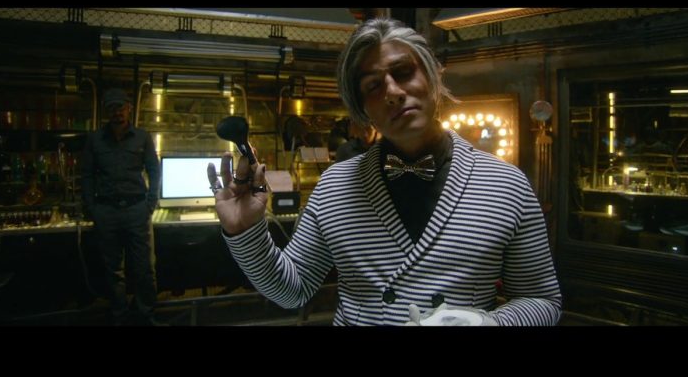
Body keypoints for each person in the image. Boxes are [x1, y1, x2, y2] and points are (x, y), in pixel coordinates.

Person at [207, 18, 561, 326]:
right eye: (373, 86)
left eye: (404, 72)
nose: (392, 92)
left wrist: (489, 323)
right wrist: (245, 232)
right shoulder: (335, 186)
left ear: (433, 76)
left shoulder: (506, 184)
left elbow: (542, 300)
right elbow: (292, 290)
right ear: (363, 110)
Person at [81, 88, 162, 326]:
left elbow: (154, 171)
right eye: (112, 108)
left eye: (121, 107)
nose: (117, 112)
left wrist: (150, 204)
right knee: (113, 269)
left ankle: (146, 315)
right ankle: (119, 316)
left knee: (145, 267)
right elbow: (87, 175)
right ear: (106, 111)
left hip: (137, 209)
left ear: (129, 108)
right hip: (107, 211)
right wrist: (93, 207)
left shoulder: (142, 137)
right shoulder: (95, 139)